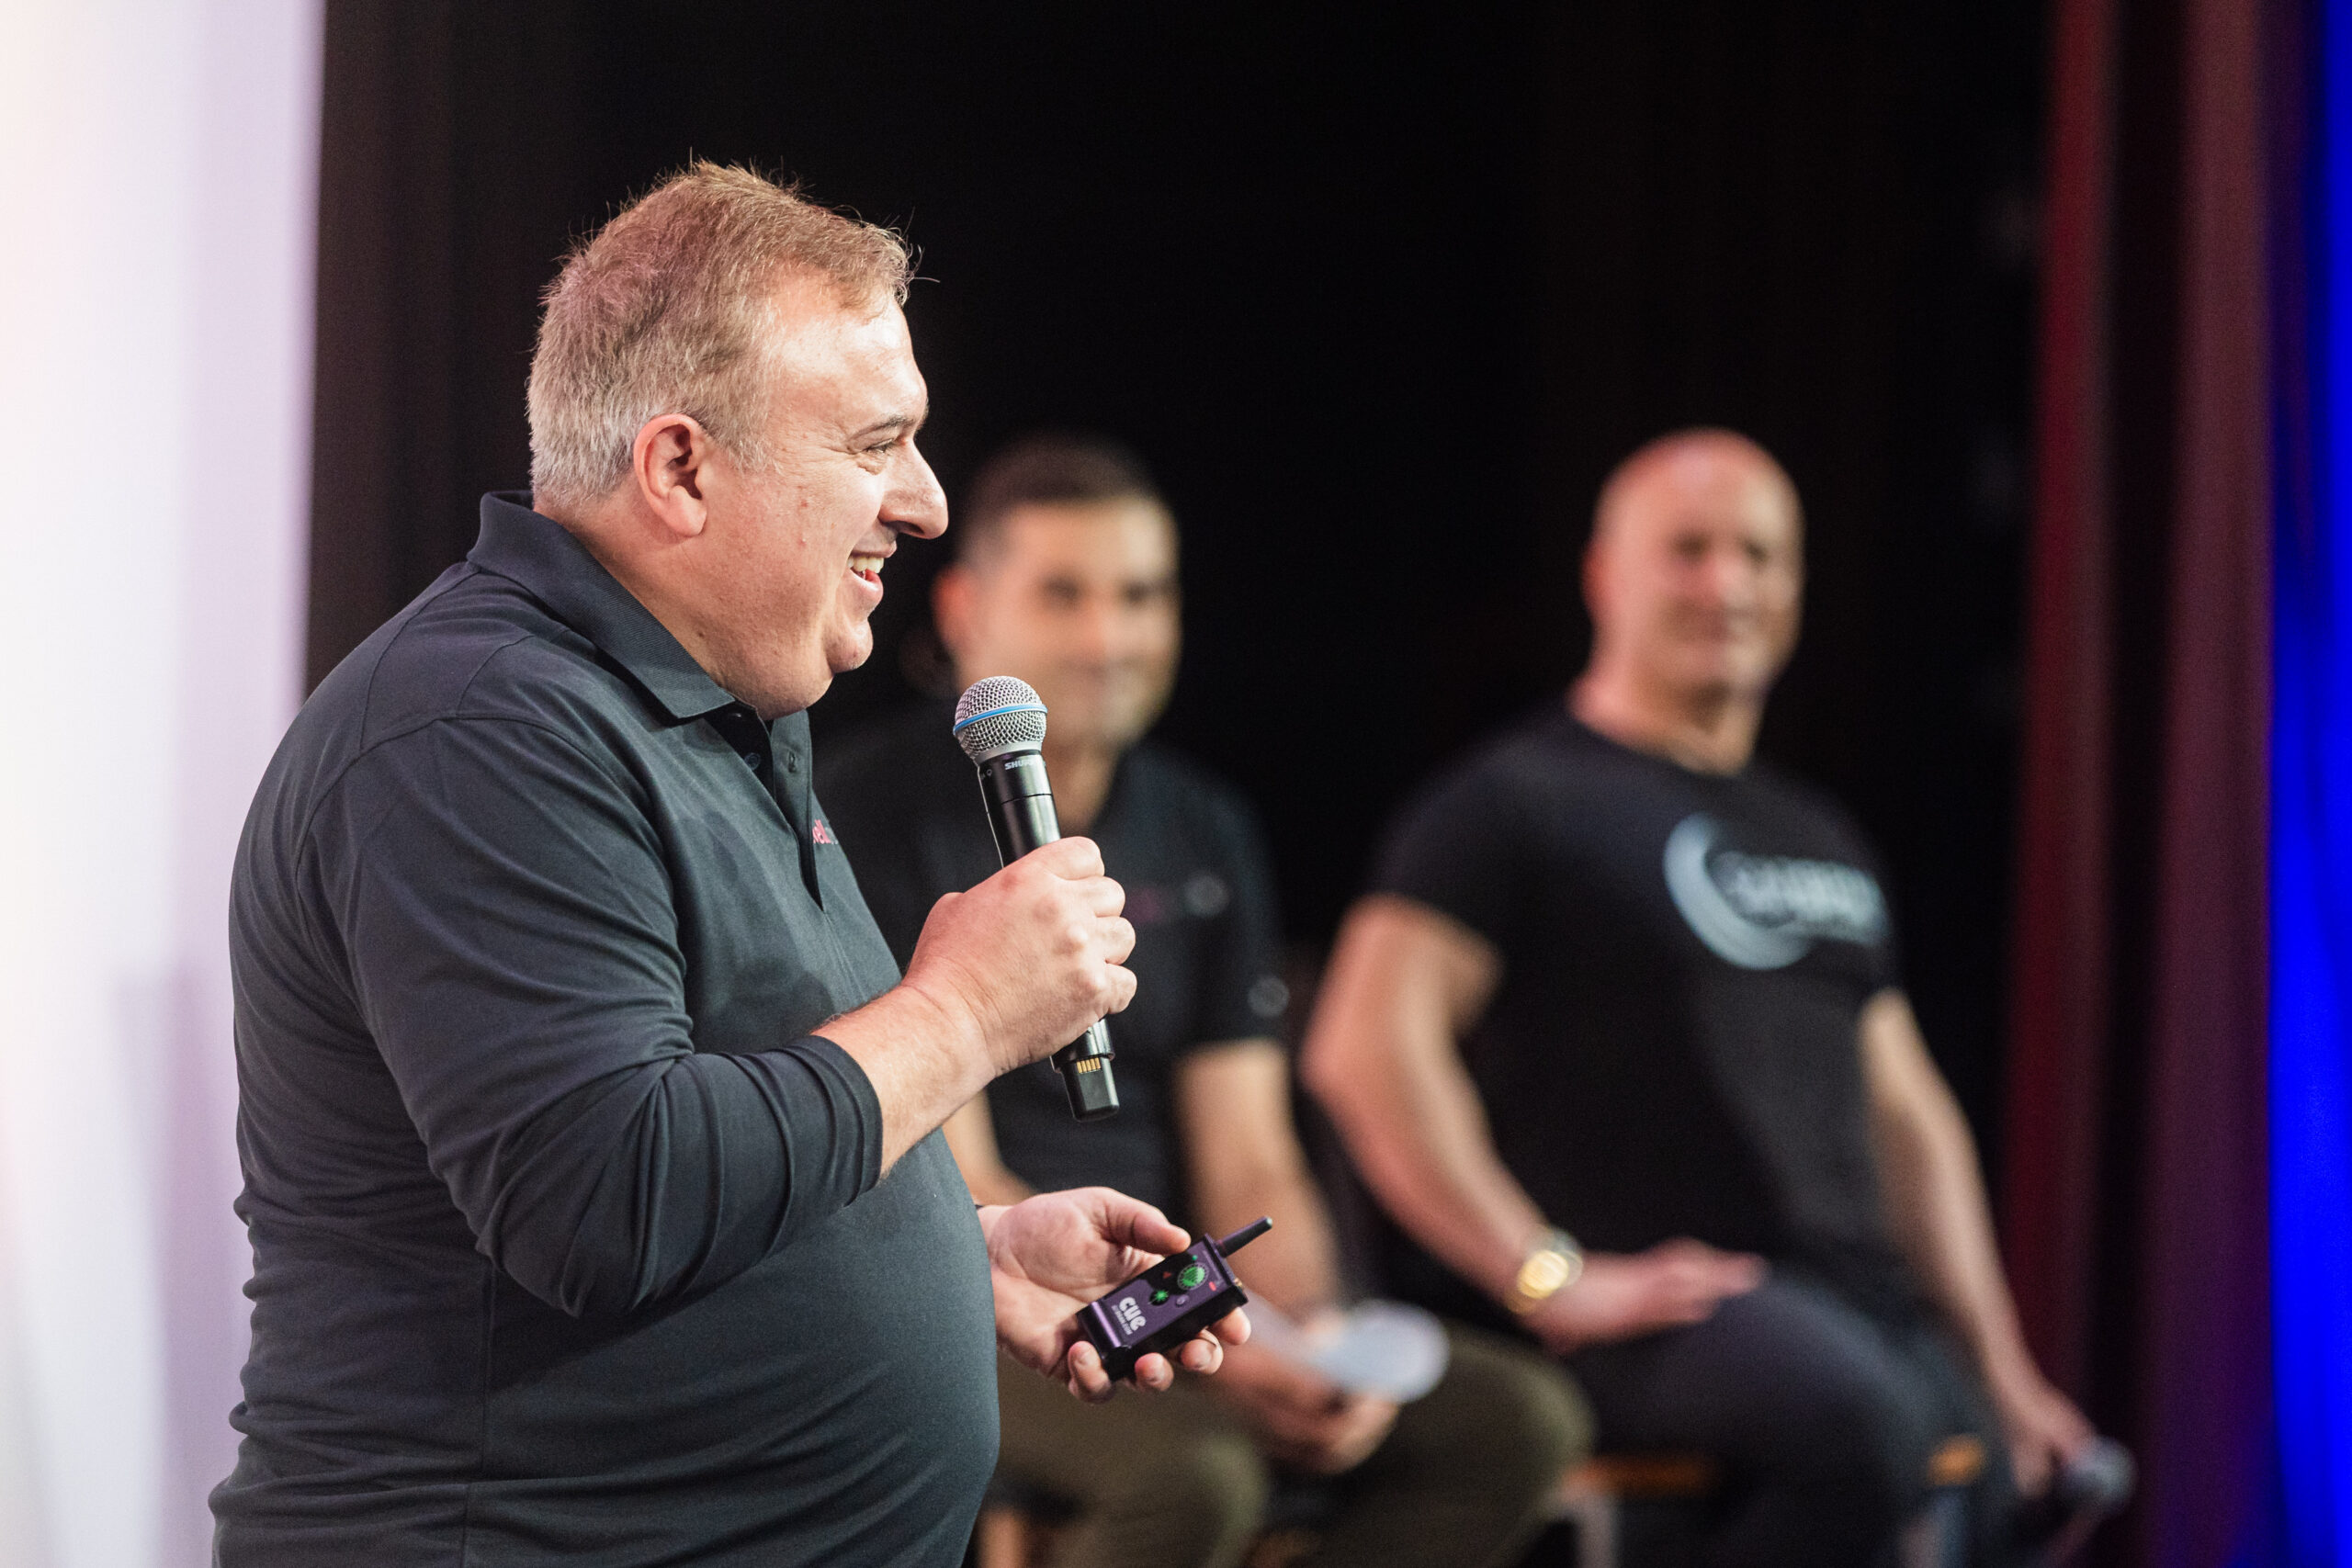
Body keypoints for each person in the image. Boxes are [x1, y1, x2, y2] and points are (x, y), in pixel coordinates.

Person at [211, 165, 1247, 1568]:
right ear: (682, 468)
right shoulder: (477, 732)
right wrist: (965, 1012)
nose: (926, 502)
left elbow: (727, 1125)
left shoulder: (715, 711)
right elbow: (605, 1197)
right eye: (876, 443)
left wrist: (960, 1244)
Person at [1302, 429, 2098, 1568]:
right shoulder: (1509, 804)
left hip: (1847, 1296)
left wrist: (2005, 1370)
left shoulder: (1820, 834)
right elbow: (1364, 1050)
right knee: (1861, 1438)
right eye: (1687, 550)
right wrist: (1547, 1274)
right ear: (1602, 575)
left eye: (1758, 555)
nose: (1726, 584)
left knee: (1996, 1474)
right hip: (1656, 1306)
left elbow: (1907, 1116)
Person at [821, 434, 1589, 1568]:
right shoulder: (871, 814)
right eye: (1064, 595)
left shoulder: (1203, 825)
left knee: (1516, 1425)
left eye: (1141, 596)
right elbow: (963, 1182)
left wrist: (1309, 1339)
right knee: (1199, 1476)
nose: (1109, 638)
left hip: (1187, 1283)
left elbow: (1252, 1159)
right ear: (963, 610)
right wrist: (1220, 1345)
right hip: (979, 1284)